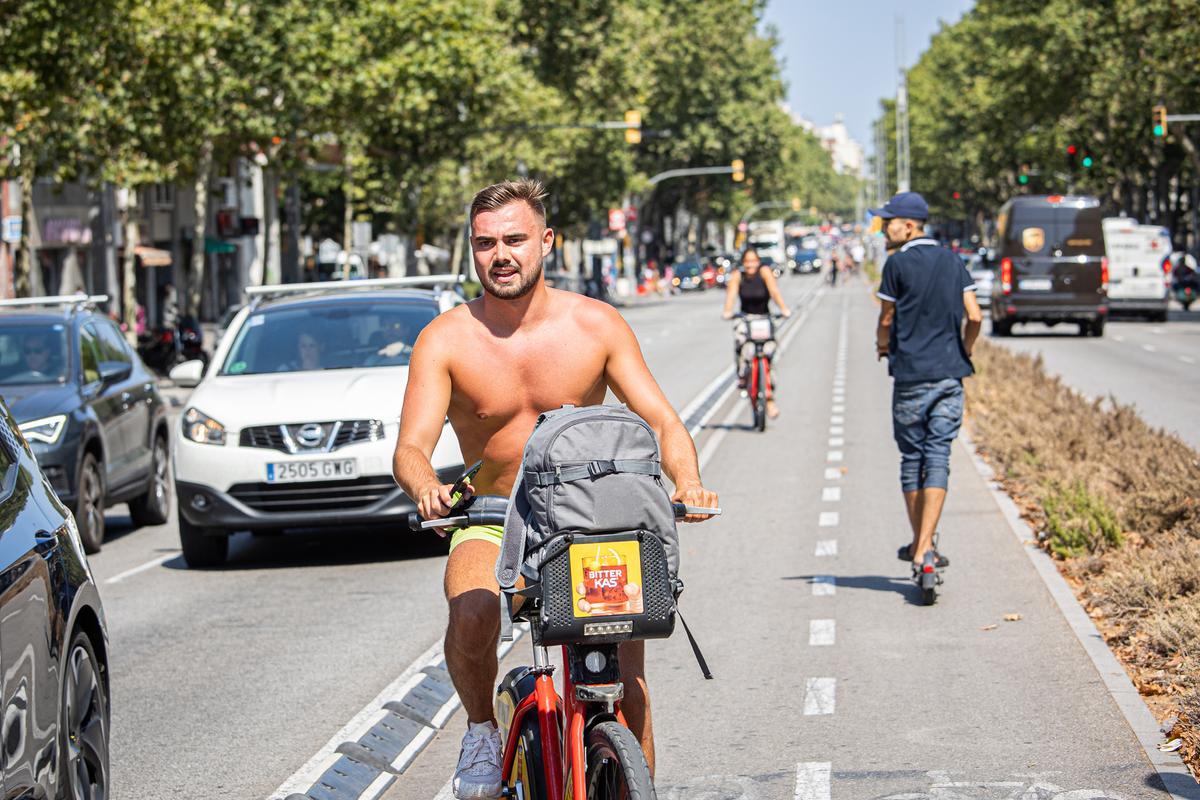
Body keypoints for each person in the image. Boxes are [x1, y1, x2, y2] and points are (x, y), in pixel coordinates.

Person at [392, 179, 718, 800]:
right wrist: (427, 485)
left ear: (546, 241)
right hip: (490, 513)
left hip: (589, 519)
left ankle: (631, 783)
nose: (501, 254)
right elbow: (410, 448)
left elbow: (664, 421)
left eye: (514, 239)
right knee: (472, 609)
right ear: (472, 249)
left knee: (627, 668)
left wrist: (691, 482)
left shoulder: (595, 325)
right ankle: (483, 731)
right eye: (485, 243)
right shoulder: (446, 338)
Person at [872, 191, 983, 572]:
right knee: (938, 457)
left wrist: (882, 346)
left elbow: (886, 319)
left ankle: (919, 547)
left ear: (909, 226)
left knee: (912, 459)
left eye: (888, 222)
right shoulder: (954, 261)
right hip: (950, 375)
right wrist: (963, 350)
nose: (884, 228)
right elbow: (976, 315)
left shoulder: (896, 265)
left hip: (911, 376)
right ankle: (925, 549)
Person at [721, 248, 791, 418]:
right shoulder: (738, 275)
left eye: (754, 261)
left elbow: (774, 292)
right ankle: (743, 375)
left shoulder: (765, 272)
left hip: (764, 317)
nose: (750, 265)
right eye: (747, 261)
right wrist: (728, 311)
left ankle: (769, 397)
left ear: (758, 261)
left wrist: (783, 309)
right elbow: (731, 296)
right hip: (746, 318)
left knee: (769, 351)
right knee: (741, 343)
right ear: (743, 263)